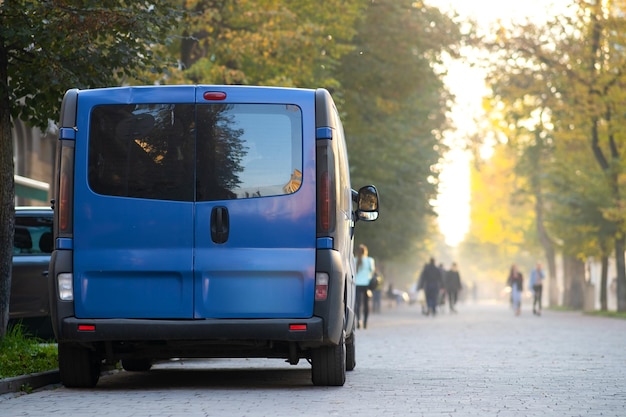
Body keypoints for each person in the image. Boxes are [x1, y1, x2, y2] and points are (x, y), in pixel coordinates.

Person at [355, 244, 375, 329]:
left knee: (358, 304)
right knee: (366, 304)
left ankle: (359, 320)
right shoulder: (370, 260)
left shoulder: (354, 260)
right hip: (367, 285)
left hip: (356, 284)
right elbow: (372, 271)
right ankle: (365, 322)